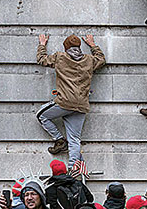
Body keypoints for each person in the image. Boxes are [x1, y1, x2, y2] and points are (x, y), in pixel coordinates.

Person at [36, 33, 106, 166]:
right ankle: (73, 171)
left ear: (65, 47)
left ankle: (59, 140)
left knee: (41, 115)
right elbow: (101, 59)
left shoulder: (60, 57)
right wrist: (92, 45)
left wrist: (42, 45)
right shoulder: (89, 60)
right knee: (74, 139)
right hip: (81, 105)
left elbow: (41, 59)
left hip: (64, 102)